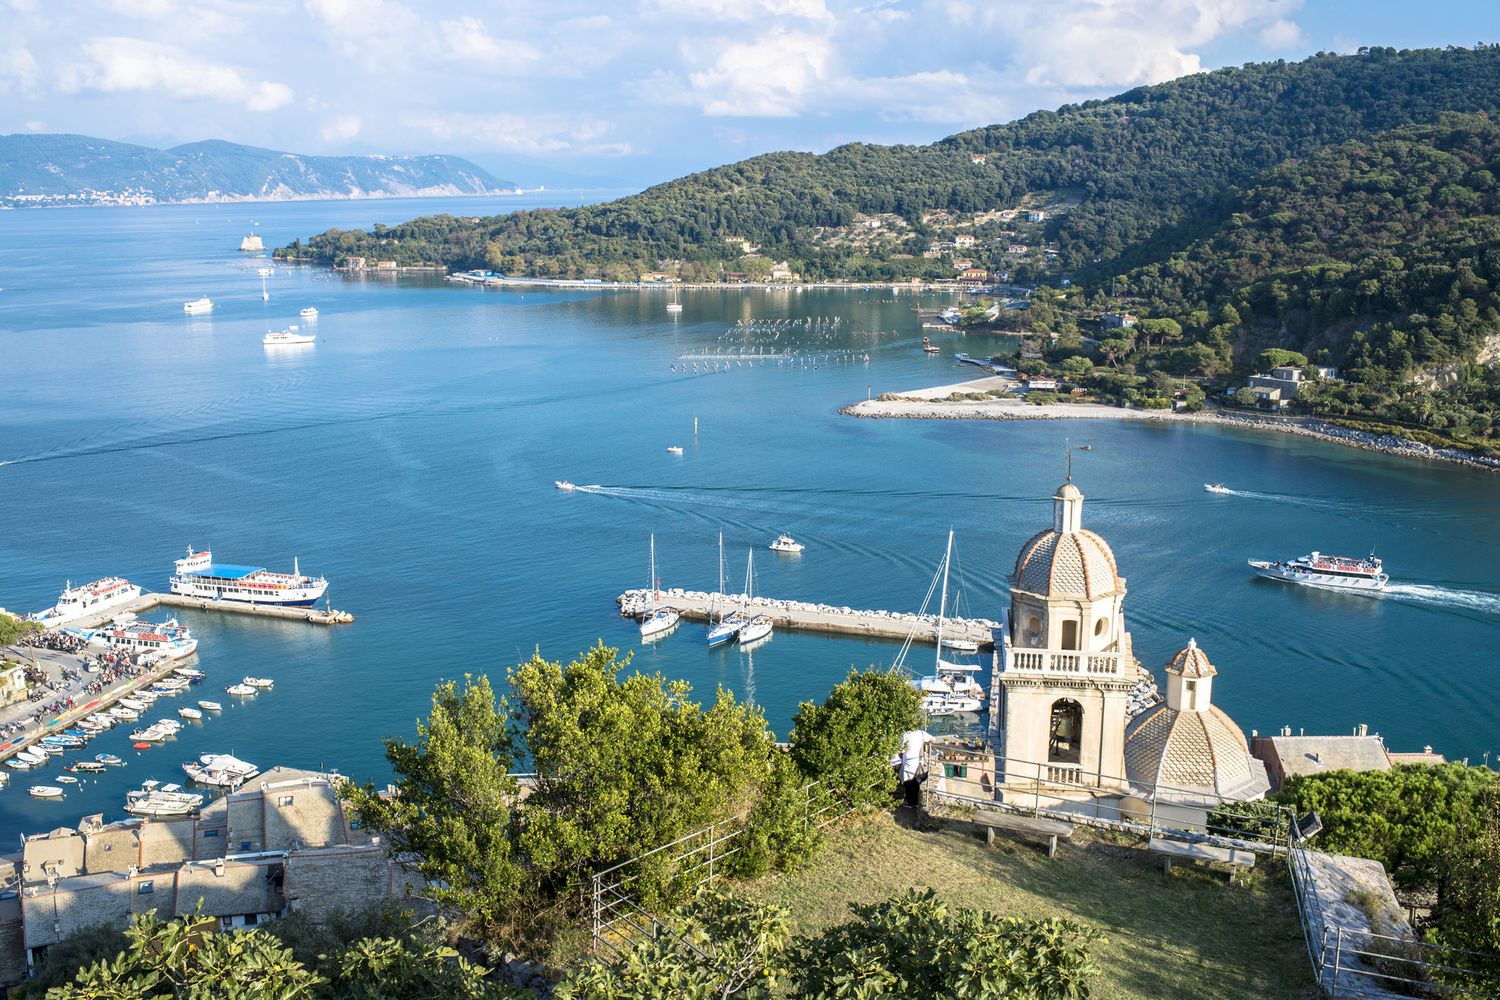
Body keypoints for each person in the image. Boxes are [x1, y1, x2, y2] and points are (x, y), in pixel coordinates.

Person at [898, 729, 934, 808]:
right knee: (915, 782)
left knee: (908, 782)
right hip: (918, 761)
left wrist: (900, 755)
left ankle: (910, 803)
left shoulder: (905, 734)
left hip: (908, 761)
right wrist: (924, 743)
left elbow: (901, 750)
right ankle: (914, 802)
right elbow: (933, 739)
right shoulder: (921, 733)